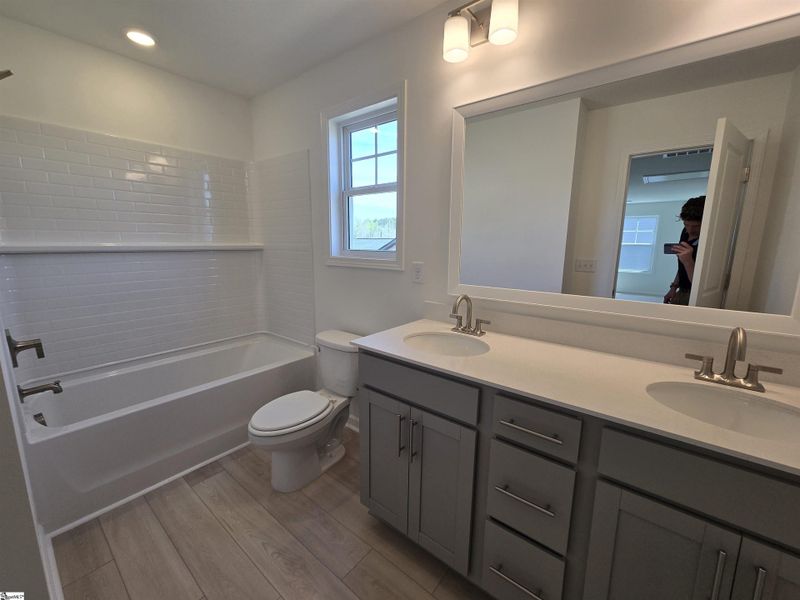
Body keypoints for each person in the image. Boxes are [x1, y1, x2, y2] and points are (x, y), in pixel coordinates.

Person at [664, 195, 705, 305]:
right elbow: (681, 265)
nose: (690, 230)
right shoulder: (685, 232)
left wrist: (688, 261)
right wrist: (673, 288)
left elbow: (701, 288)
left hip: (695, 295)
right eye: (686, 224)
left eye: (696, 226)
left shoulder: (710, 242)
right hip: (681, 290)